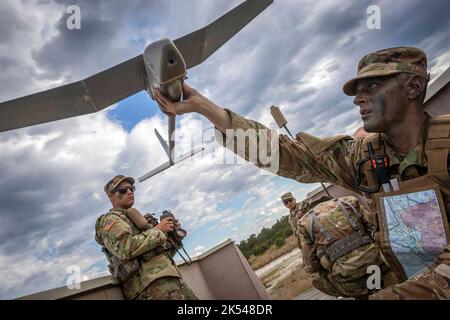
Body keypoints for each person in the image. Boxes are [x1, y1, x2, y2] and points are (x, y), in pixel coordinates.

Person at [153, 47, 450, 299]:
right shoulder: (365, 156)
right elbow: (283, 154)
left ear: (413, 87)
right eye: (357, 91)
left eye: (373, 86)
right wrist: (203, 107)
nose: (359, 98)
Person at [95, 175, 197, 300]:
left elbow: (162, 254)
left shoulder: (137, 221)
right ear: (111, 196)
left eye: (132, 189)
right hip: (149, 288)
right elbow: (124, 249)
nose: (129, 192)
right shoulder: (109, 220)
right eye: (123, 190)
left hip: (170, 279)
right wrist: (158, 230)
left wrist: (172, 236)